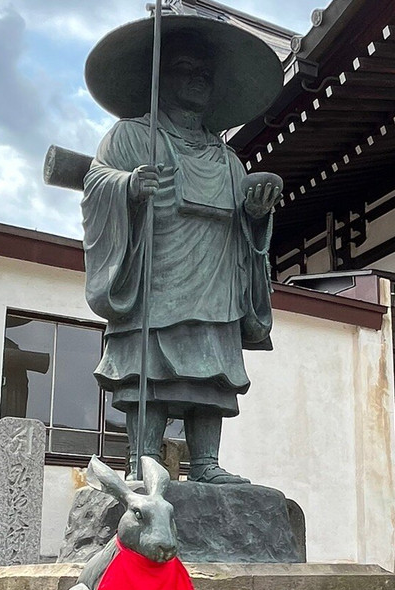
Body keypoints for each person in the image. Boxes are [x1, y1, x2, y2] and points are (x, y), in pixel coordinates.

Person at [81, 16, 283, 483]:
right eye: (185, 67)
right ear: (161, 76)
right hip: (157, 271)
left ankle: (207, 463)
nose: (197, 78)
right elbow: (96, 181)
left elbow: (247, 229)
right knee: (149, 369)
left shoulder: (228, 159)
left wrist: (257, 212)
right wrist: (128, 185)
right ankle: (141, 461)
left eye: (205, 73)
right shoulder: (133, 136)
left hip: (216, 275)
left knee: (212, 368)